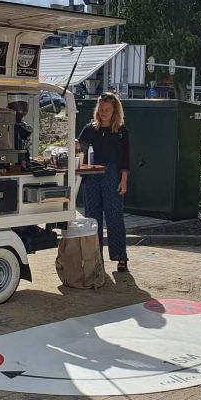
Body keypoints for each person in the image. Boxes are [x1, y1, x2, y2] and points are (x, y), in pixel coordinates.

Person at [77, 93, 131, 272]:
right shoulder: (90, 128)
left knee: (114, 215)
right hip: (91, 175)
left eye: (107, 110)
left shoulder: (121, 131)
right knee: (93, 217)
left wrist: (124, 180)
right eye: (101, 109)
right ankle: (95, 256)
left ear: (115, 110)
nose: (103, 112)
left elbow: (126, 158)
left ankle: (120, 256)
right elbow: (79, 147)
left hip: (112, 174)